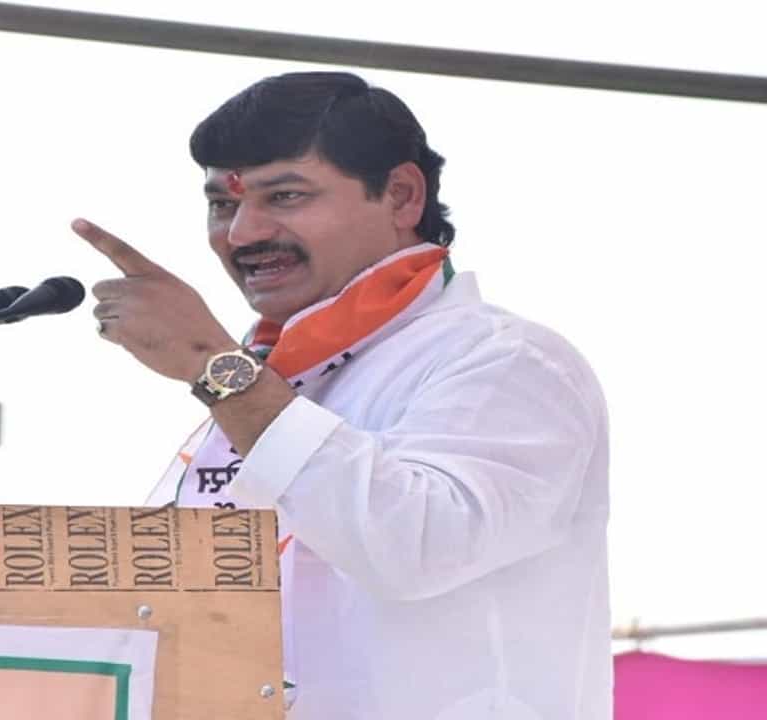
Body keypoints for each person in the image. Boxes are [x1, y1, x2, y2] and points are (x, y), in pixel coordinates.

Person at [71, 71, 610, 720]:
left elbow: (413, 548)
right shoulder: (279, 376)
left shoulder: (506, 360)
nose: (242, 234)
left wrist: (214, 368)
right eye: (222, 204)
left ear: (401, 196)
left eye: (286, 196)